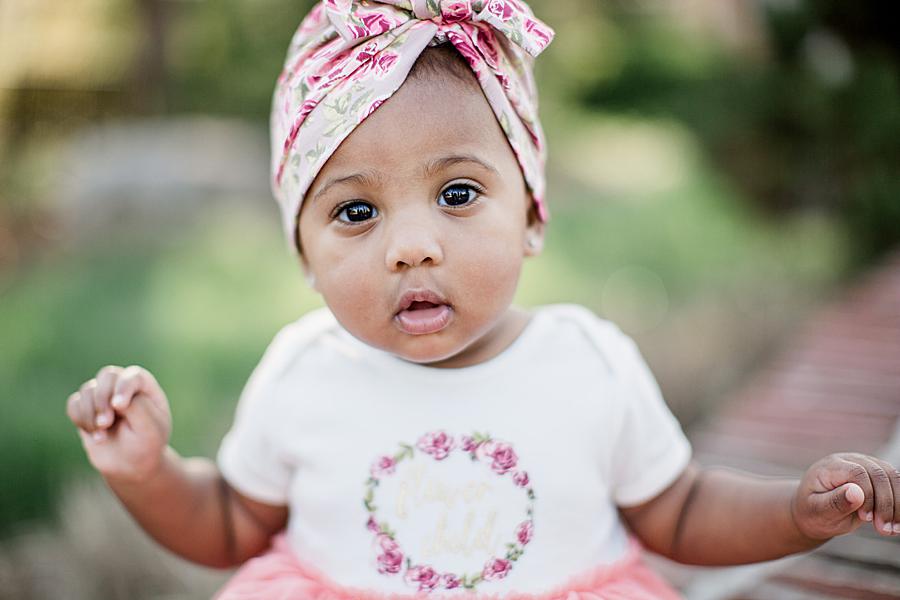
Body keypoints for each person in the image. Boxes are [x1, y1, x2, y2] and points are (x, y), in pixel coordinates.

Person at [65, 1, 900, 598]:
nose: (412, 244)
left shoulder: (586, 361)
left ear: (532, 215)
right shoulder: (303, 374)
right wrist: (148, 474)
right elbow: (228, 526)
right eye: (356, 212)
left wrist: (796, 512)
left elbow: (677, 511)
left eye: (458, 194)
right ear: (305, 257)